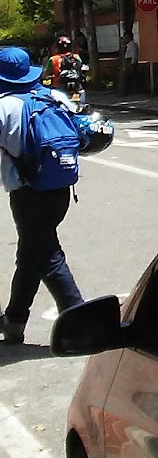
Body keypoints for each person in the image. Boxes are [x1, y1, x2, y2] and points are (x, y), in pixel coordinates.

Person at [0, 46, 84, 345]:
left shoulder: (4, 106)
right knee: (32, 252)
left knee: (46, 254)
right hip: (61, 187)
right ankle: (14, 320)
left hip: (28, 192)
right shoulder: (55, 97)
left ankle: (80, 320)